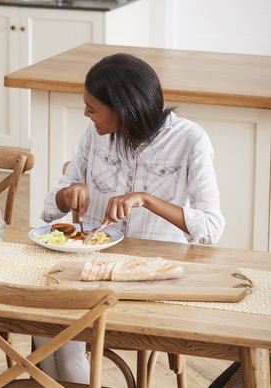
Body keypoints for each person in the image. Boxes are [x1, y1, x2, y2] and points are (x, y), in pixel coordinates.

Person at [38, 52, 225, 383]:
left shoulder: (190, 140)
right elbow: (51, 208)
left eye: (92, 108)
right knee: (42, 322)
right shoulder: (93, 134)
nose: (85, 113)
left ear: (123, 108)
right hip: (93, 265)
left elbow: (211, 228)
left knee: (61, 329)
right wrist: (68, 194)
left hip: (152, 271)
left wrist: (148, 200)